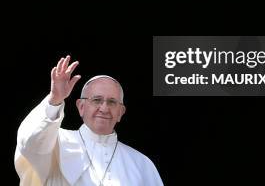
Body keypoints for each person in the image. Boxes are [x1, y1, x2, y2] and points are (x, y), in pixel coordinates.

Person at [15, 55, 164, 185]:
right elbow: (29, 143)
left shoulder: (142, 164)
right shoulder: (55, 143)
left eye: (112, 102)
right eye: (97, 100)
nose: (104, 108)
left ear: (121, 112)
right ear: (81, 107)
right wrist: (55, 100)